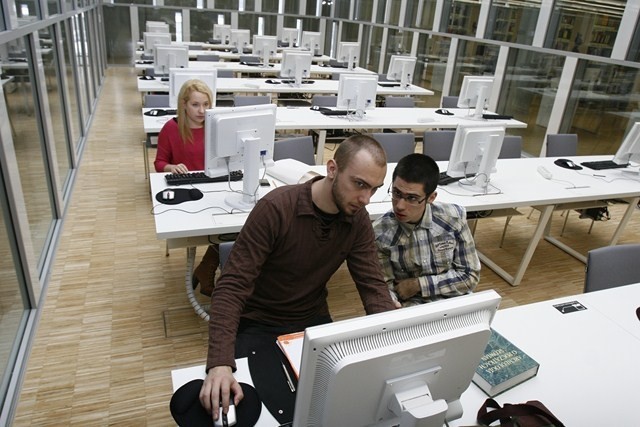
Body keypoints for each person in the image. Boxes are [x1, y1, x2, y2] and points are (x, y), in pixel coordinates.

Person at [198, 134, 398, 421]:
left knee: (337, 408)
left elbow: (373, 286)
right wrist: (219, 362)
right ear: (332, 169)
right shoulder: (277, 208)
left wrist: (398, 340)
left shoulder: (358, 220)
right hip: (257, 323)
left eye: (374, 189)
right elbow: (231, 287)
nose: (366, 199)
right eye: (359, 184)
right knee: (261, 413)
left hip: (312, 322)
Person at [373, 153, 480, 307]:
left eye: (412, 198)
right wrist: (390, 300)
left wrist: (419, 285)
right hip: (412, 307)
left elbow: (470, 277)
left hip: (455, 301)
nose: (400, 205)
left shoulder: (453, 219)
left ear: (431, 198)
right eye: (397, 193)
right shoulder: (380, 234)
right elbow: (385, 286)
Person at [154, 79, 220, 296]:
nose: (202, 111)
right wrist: (172, 167)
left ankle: (206, 267)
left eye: (206, 104)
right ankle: (208, 268)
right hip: (188, 192)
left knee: (241, 226)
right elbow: (159, 163)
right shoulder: (171, 128)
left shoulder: (215, 125)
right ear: (183, 104)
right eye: (195, 105)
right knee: (229, 230)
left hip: (214, 187)